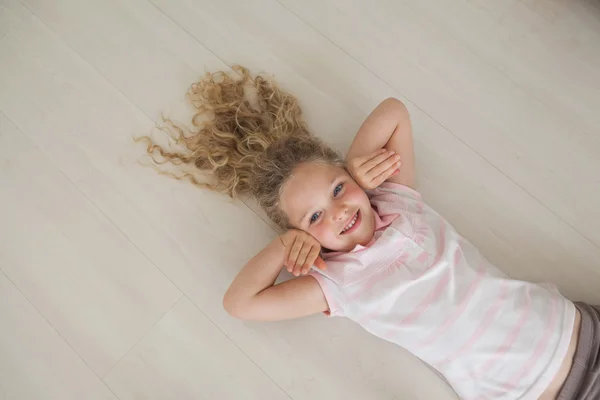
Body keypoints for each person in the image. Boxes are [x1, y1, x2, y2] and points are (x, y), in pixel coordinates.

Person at [139, 66, 599, 399]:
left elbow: (395, 111)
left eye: (339, 189)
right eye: (314, 219)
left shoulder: (397, 201)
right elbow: (239, 304)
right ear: (305, 238)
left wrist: (359, 160)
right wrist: (282, 250)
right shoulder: (332, 283)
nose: (338, 210)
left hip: (576, 330)